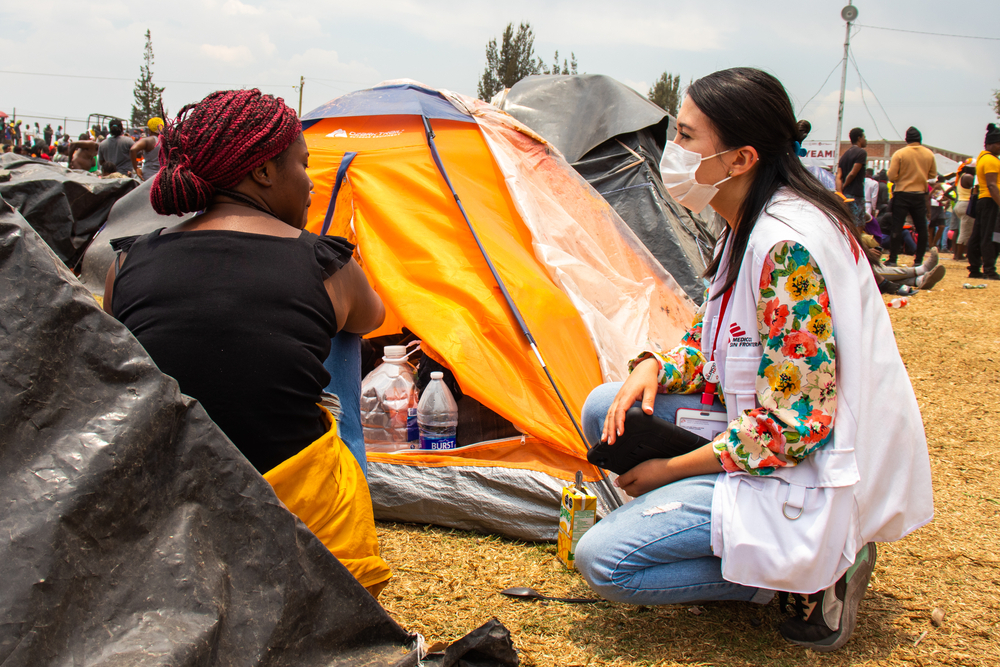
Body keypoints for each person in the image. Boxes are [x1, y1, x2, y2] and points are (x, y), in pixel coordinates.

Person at [574, 68, 932, 653]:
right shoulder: (744, 224)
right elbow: (714, 339)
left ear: (740, 159)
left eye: (686, 137)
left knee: (605, 562)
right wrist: (653, 366)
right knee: (603, 406)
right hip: (760, 436)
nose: (672, 153)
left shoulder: (787, 249)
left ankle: (808, 576)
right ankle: (735, 542)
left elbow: (794, 427)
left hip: (800, 469)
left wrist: (672, 470)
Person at [101, 89, 393, 596]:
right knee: (344, 335)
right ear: (263, 172)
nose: (311, 182)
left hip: (160, 506)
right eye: (303, 165)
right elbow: (374, 316)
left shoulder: (126, 264)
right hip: (292, 519)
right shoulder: (325, 263)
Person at [886, 127, 936, 267]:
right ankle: (919, 260)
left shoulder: (899, 154)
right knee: (921, 228)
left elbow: (891, 176)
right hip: (920, 194)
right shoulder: (929, 154)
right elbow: (932, 176)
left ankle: (893, 259)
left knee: (897, 226)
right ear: (920, 139)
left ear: (906, 139)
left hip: (902, 193)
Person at [967, 124, 1000, 279]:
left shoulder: (983, 158)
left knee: (977, 235)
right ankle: (989, 270)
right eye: (999, 144)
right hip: (990, 200)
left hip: (983, 200)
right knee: (988, 235)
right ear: (990, 144)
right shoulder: (991, 161)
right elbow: (992, 185)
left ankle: (974, 268)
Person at [836, 127, 867, 226]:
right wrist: (845, 185)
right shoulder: (861, 153)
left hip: (845, 196)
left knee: (847, 222)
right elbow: (853, 173)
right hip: (855, 195)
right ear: (859, 138)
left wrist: (840, 192)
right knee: (858, 224)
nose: (865, 140)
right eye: (864, 137)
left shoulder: (844, 155)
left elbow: (838, 176)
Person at [129, 117, 164, 181]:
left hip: (148, 176)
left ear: (149, 130)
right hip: (162, 176)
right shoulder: (166, 141)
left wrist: (136, 168)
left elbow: (133, 149)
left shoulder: (149, 140)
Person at [953, 164, 976, 259]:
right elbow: (976, 187)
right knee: (965, 231)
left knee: (964, 230)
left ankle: (959, 254)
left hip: (961, 203)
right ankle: (959, 255)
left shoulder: (962, 176)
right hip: (966, 204)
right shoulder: (968, 177)